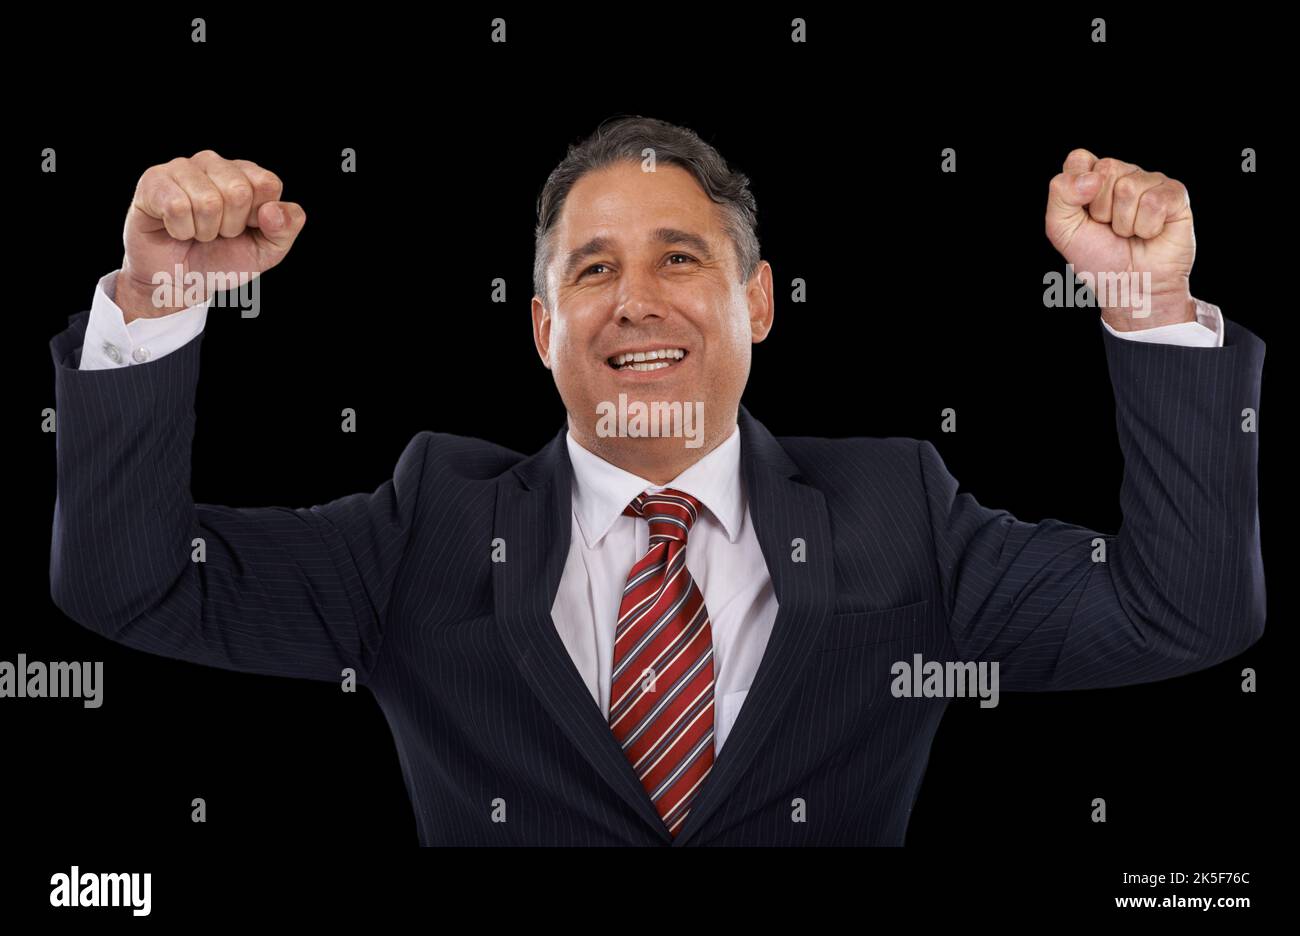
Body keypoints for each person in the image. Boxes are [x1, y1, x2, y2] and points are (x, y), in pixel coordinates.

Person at [49, 116, 1265, 846]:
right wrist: (158, 299)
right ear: (539, 330)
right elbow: (132, 588)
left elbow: (1182, 612)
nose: (634, 300)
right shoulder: (425, 523)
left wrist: (1147, 306)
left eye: (680, 259)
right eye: (591, 271)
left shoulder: (901, 512)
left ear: (756, 304)